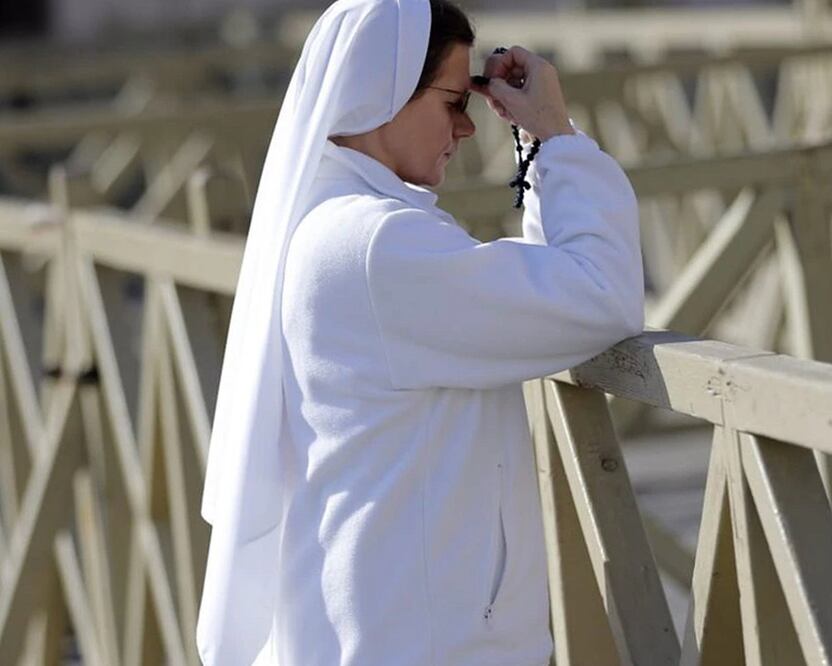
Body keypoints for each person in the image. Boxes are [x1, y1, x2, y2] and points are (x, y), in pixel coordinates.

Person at [197, 0, 644, 664]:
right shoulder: (377, 246)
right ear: (383, 95)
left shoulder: (332, 225)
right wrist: (555, 134)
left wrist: (538, 145)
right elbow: (598, 297)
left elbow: (548, 301)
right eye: (454, 101)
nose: (467, 128)